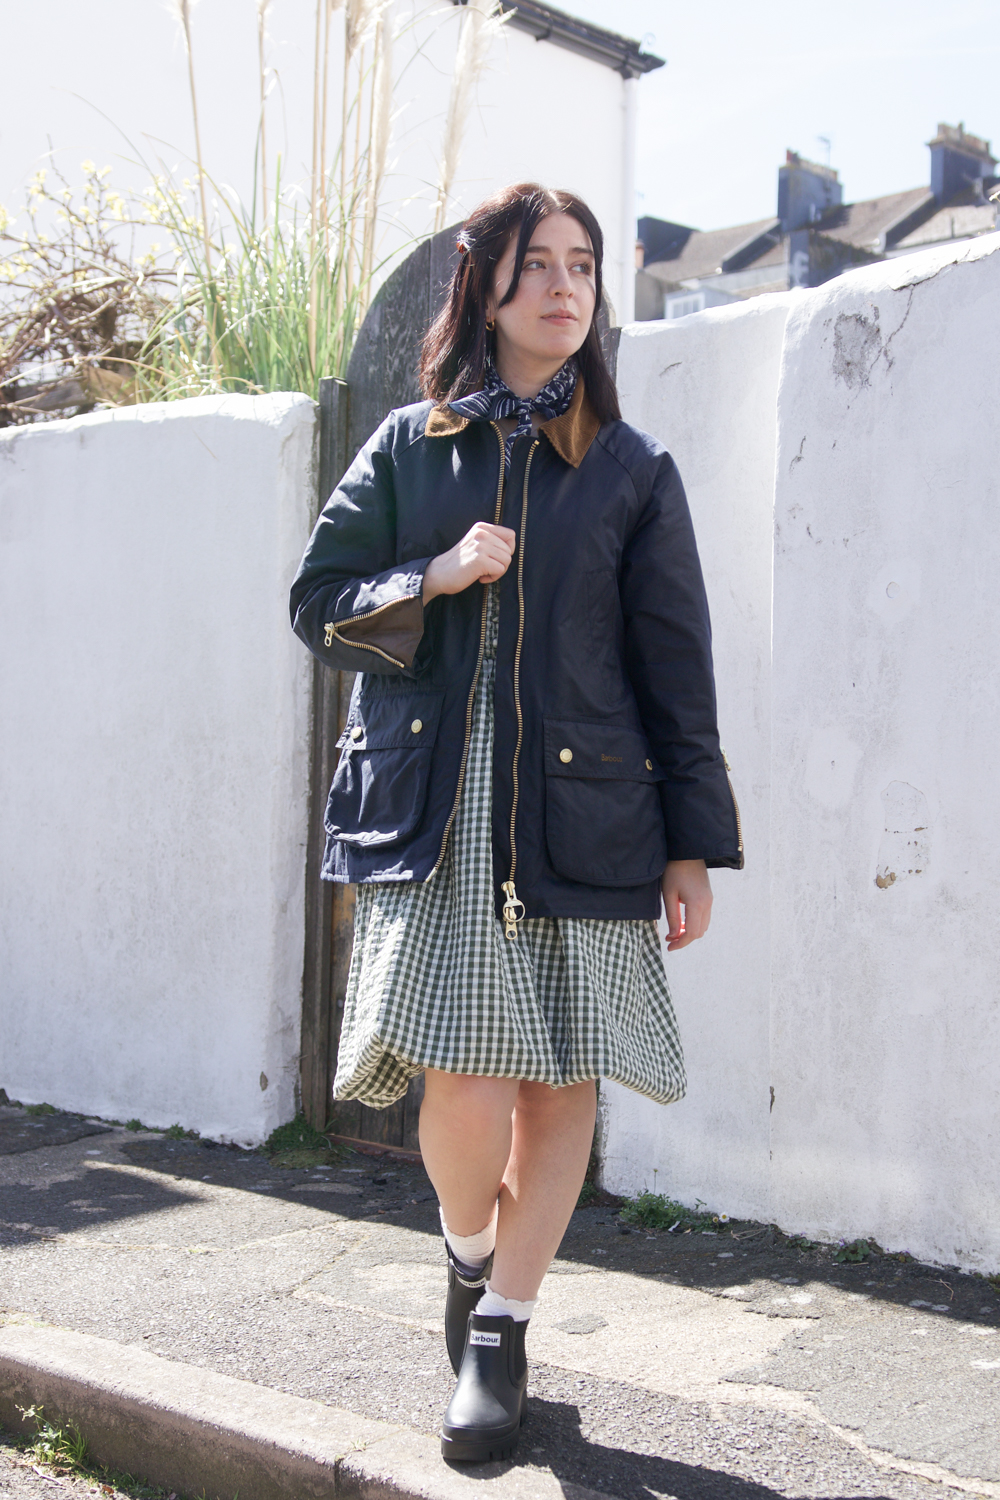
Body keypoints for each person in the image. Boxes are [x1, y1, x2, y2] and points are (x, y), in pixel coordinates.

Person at [289, 183, 743, 1463]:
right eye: (535, 264)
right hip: (438, 809)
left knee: (560, 1089)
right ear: (485, 289)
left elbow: (676, 667)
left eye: (584, 266)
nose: (563, 286)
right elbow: (317, 599)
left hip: (591, 812)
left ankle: (500, 1327)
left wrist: (691, 842)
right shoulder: (406, 447)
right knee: (466, 1080)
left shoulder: (632, 469)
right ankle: (469, 1243)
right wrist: (427, 578)